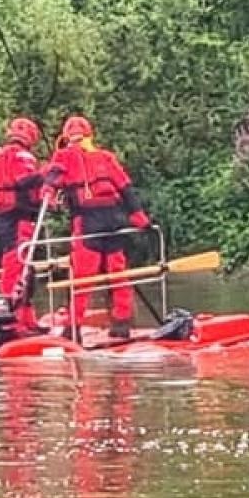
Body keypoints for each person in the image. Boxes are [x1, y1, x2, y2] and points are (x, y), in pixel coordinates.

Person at [46, 115, 152, 340]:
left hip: (88, 222)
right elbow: (126, 189)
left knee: (84, 275)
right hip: (113, 219)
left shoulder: (63, 156)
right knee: (118, 272)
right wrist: (139, 217)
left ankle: (73, 328)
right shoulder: (105, 157)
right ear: (90, 134)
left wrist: (49, 194)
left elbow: (52, 179)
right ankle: (121, 323)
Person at [0, 117, 48, 334]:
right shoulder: (23, 156)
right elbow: (24, 181)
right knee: (19, 266)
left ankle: (26, 318)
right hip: (18, 216)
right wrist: (46, 173)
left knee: (23, 267)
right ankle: (12, 320)